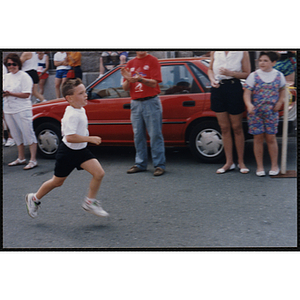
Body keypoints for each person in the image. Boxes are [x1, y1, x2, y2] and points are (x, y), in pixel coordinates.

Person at [25, 78, 109, 219]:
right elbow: (70, 137)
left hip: (81, 151)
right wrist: (90, 138)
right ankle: (34, 198)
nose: (85, 95)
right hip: (68, 153)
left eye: (85, 92)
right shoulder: (72, 114)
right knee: (57, 182)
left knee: (99, 173)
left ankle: (90, 202)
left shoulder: (79, 108)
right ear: (69, 98)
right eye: (81, 93)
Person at [121, 51, 166, 176]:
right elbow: (125, 87)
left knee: (155, 134)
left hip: (151, 101)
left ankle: (159, 165)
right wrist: (129, 79)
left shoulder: (153, 60)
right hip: (136, 103)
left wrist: (140, 79)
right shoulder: (130, 63)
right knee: (138, 134)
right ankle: (140, 164)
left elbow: (154, 82)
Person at [243, 51, 286, 177]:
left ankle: (274, 165)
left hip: (271, 112)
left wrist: (279, 102)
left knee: (271, 138)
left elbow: (283, 90)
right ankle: (260, 166)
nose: (262, 63)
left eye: (265, 60)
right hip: (255, 113)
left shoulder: (279, 75)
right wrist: (249, 104)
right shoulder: (253, 76)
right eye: (260, 60)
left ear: (273, 62)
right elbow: (246, 93)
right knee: (258, 139)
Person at [208, 51, 251, 174]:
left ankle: (241, 162)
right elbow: (210, 69)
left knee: (237, 127)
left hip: (233, 87)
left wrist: (230, 73)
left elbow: (247, 73)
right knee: (224, 128)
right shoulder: (215, 50)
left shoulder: (242, 51)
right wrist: (212, 80)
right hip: (218, 89)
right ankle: (229, 162)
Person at [3, 53, 38, 170]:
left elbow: (27, 94)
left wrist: (10, 93)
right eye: (9, 64)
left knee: (28, 132)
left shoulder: (24, 76)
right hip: (8, 109)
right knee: (15, 133)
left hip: (22, 109)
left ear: (18, 64)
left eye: (14, 64)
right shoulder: (6, 77)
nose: (11, 66)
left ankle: (33, 159)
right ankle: (21, 157)